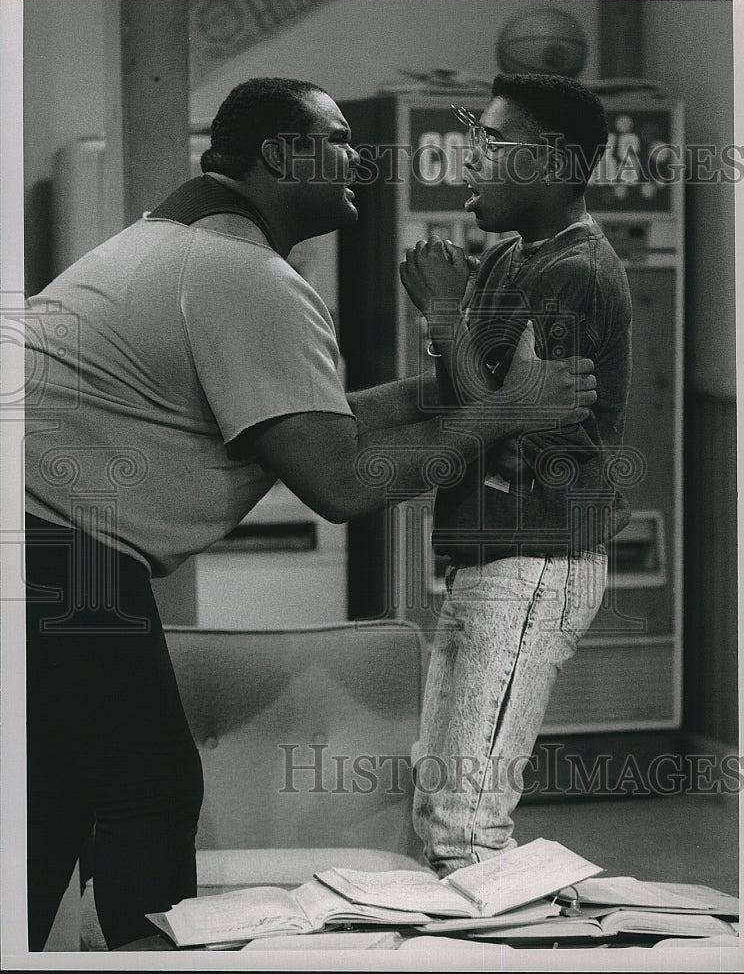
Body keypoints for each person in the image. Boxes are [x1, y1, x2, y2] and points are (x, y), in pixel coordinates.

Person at [23, 77, 597, 949]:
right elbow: (342, 483)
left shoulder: (185, 245)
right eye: (334, 140)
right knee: (151, 788)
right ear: (282, 161)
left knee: (57, 787)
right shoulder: (244, 275)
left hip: (40, 543)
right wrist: (507, 411)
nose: (359, 156)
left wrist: (438, 394)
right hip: (58, 552)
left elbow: (299, 422)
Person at [400, 73, 633, 875]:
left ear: (560, 164)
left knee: (465, 823)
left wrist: (440, 315)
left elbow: (512, 425)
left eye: (495, 143)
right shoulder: (506, 257)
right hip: (488, 549)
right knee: (435, 807)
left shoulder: (578, 271)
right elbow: (482, 406)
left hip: (538, 557)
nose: (472, 155)